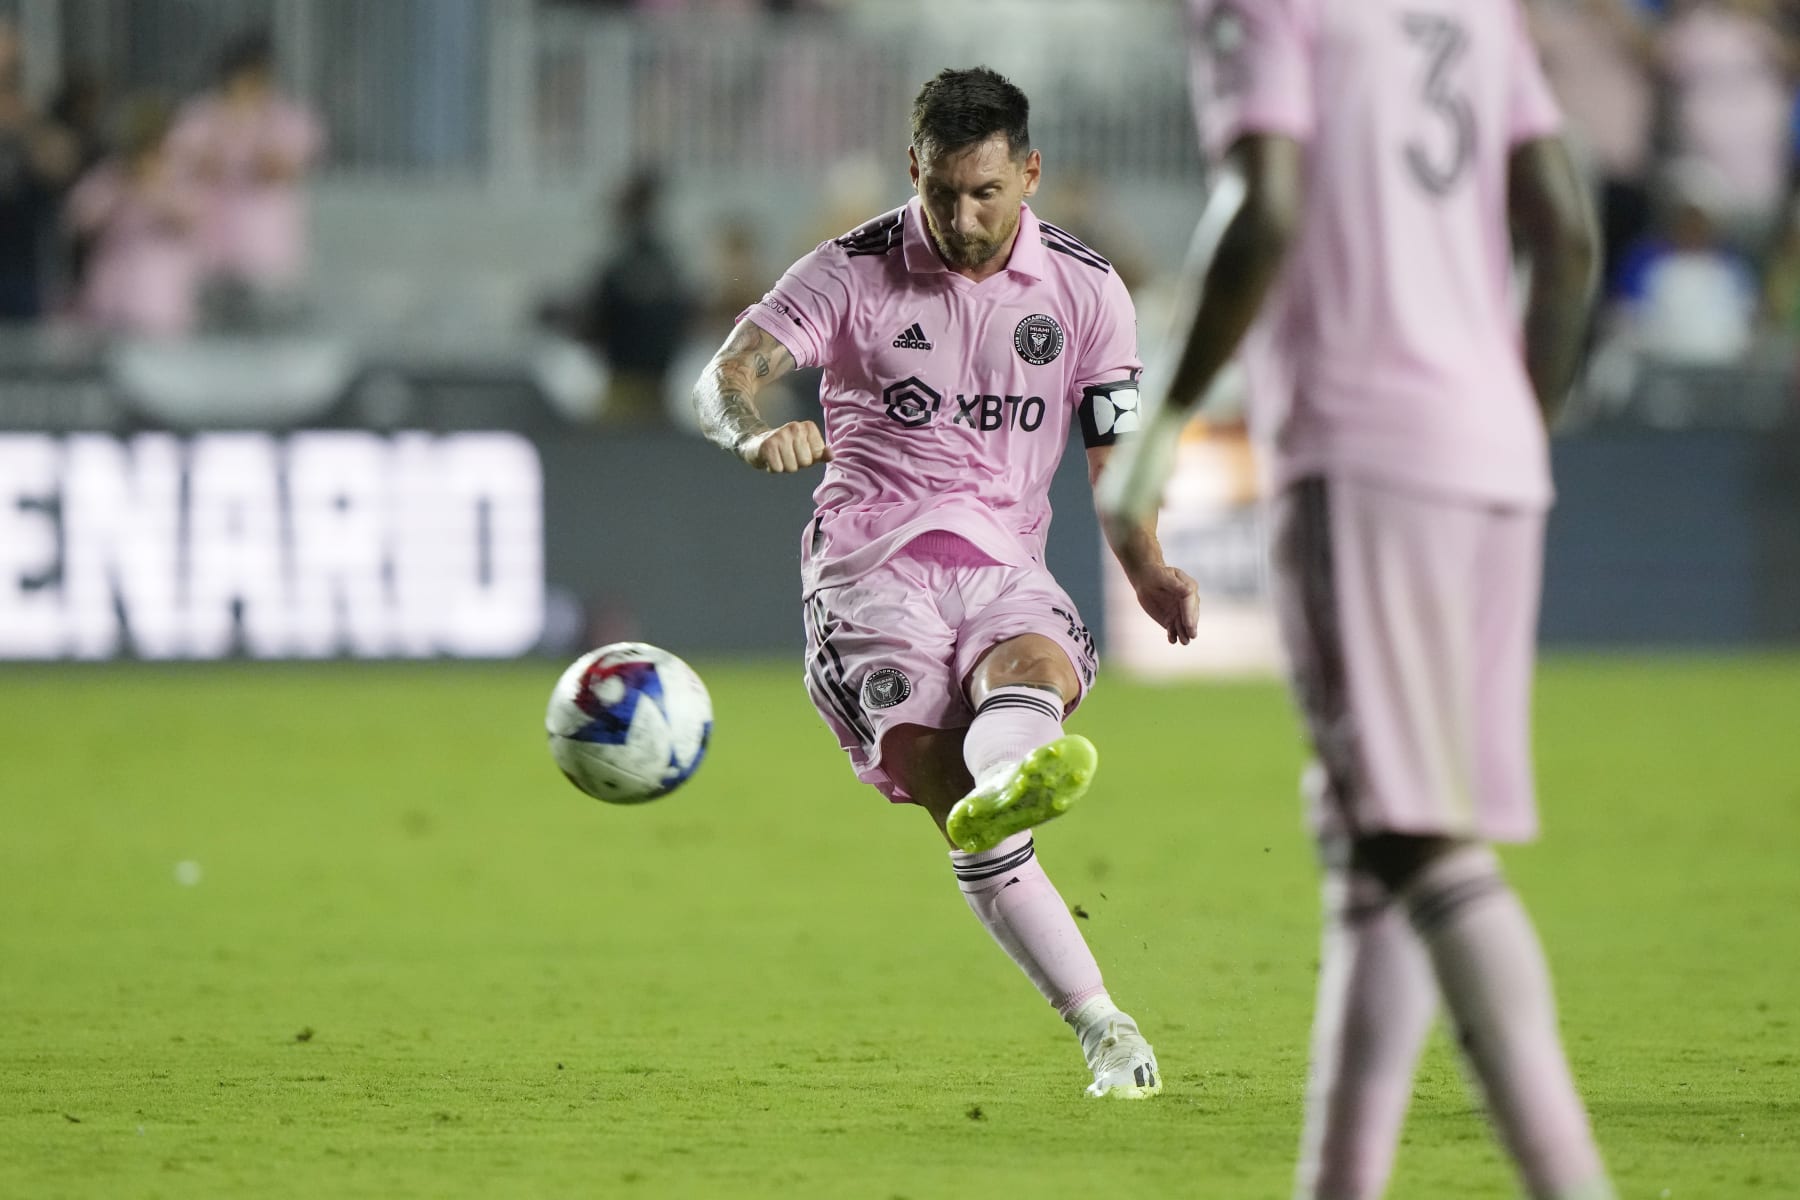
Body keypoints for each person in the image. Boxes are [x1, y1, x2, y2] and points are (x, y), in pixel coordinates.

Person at [1098, 2, 1614, 1196]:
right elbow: (1568, 235)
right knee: (1372, 848)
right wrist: (1507, 428)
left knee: (1417, 843)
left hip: (1363, 444)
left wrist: (1156, 433)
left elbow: (1264, 205)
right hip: (1492, 450)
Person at [691, 66, 1198, 1099]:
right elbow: (727, 374)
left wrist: (1145, 567)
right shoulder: (849, 271)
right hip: (871, 578)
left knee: (1035, 668)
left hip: (1005, 564)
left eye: (986, 194)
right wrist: (751, 437)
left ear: (1031, 174)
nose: (964, 220)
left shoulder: (1087, 290)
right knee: (951, 786)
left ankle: (1014, 767)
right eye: (942, 194)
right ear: (912, 169)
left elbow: (1113, 453)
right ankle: (1104, 1026)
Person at [167, 29, 322, 330]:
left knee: (265, 319)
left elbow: (282, 167)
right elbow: (183, 160)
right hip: (211, 241)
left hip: (265, 242)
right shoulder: (201, 115)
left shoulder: (283, 116)